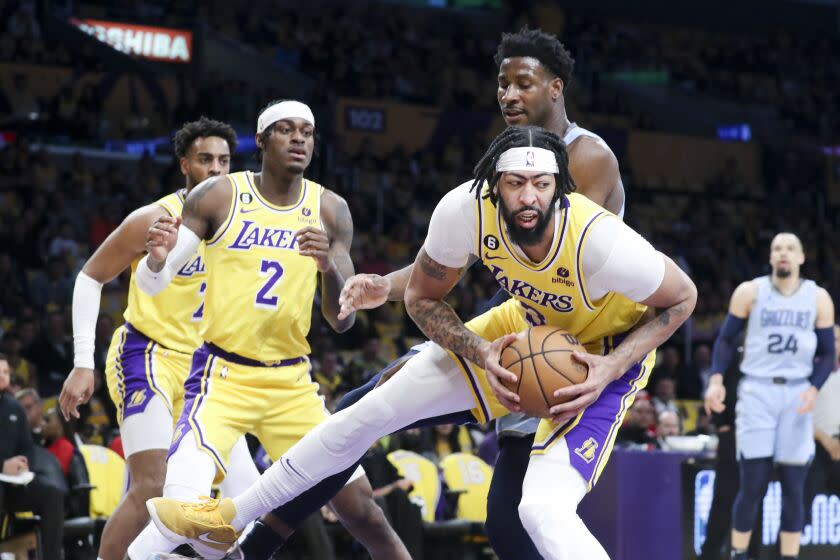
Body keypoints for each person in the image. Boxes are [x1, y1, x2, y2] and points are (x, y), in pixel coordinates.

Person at [146, 125, 697, 560]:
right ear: (493, 184)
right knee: (369, 408)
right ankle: (230, 521)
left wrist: (608, 371)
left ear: (561, 187)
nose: (528, 196)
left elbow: (683, 299)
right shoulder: (463, 211)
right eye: (514, 183)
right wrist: (478, 351)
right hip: (523, 325)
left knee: (541, 512)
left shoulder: (600, 241)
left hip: (600, 352)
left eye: (542, 184)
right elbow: (422, 299)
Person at [239, 26, 631, 560]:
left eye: (524, 83)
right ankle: (253, 544)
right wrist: (388, 286)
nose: (509, 95)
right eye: (502, 84)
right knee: (363, 407)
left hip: (579, 350)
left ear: (556, 87)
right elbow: (453, 257)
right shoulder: (505, 163)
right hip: (526, 332)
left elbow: (557, 272)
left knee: (514, 524)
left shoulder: (588, 160)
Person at [128, 100, 409, 560]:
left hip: (291, 382)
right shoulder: (219, 195)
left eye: (307, 132)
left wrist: (327, 268)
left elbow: (344, 320)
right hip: (221, 377)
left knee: (362, 509)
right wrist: (156, 261)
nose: (299, 139)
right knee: (183, 512)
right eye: (286, 130)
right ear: (260, 141)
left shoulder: (330, 209)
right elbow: (156, 282)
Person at [57, 117, 262, 560]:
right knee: (152, 483)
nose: (215, 169)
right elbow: (90, 277)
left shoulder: (242, 226)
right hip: (144, 354)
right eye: (205, 159)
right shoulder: (154, 217)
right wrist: (81, 361)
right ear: (185, 164)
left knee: (245, 495)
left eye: (224, 161)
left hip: (205, 369)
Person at [704, 232, 835, 560]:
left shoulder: (818, 298)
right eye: (777, 248)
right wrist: (716, 379)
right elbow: (724, 340)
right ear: (770, 257)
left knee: (794, 487)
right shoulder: (750, 292)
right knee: (752, 484)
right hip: (757, 390)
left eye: (791, 248)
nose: (784, 254)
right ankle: (738, 553)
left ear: (802, 257)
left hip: (796, 393)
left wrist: (814, 387)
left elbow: (828, 353)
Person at [0, 353, 64, 560]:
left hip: (13, 483)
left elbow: (27, 447)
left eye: (6, 372)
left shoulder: (14, 408)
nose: (3, 376)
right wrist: (2, 466)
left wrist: (23, 465)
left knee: (51, 494)